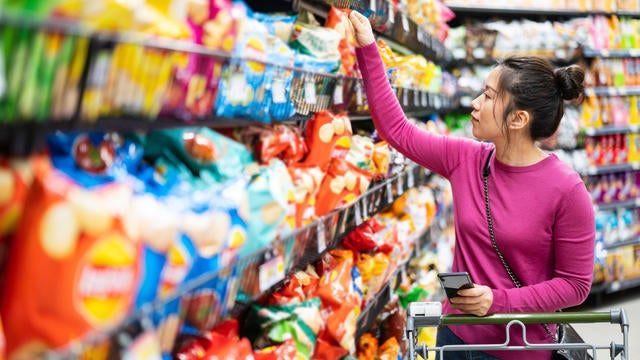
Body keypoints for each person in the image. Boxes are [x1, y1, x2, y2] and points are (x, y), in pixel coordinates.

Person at [347, 11, 595, 360]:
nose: (476, 104)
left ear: (519, 119)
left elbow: (575, 285)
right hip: (456, 337)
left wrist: (498, 301)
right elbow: (397, 131)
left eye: (490, 97)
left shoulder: (567, 190)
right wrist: (368, 47)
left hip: (518, 345)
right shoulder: (466, 158)